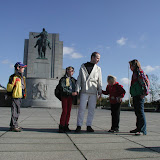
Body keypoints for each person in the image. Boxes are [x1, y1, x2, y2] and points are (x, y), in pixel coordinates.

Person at [75, 52, 102, 133]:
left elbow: (99, 80)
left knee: (91, 109)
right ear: (92, 57)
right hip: (84, 90)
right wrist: (77, 89)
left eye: (99, 59)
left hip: (93, 90)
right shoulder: (83, 66)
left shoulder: (98, 68)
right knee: (81, 108)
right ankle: (79, 125)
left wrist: (100, 91)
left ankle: (89, 125)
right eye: (97, 58)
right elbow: (79, 78)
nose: (98, 60)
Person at [129, 59, 150, 135]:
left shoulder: (139, 72)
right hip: (136, 94)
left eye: (131, 66)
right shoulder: (135, 73)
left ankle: (142, 130)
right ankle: (138, 127)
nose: (130, 67)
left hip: (139, 95)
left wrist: (144, 93)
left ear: (134, 65)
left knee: (140, 112)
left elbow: (144, 83)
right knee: (137, 112)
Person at [7, 62, 27, 132]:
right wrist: (10, 94)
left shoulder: (22, 77)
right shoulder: (13, 77)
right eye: (22, 67)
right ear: (18, 68)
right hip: (15, 96)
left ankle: (14, 124)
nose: (24, 69)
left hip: (19, 96)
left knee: (17, 111)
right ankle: (13, 126)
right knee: (15, 111)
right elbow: (9, 87)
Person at [59, 66, 77, 133]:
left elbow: (76, 85)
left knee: (68, 111)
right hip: (65, 96)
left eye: (73, 71)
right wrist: (71, 93)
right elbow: (63, 88)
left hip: (70, 97)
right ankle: (61, 126)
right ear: (67, 71)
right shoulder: (64, 79)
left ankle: (66, 125)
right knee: (65, 111)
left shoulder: (72, 79)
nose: (72, 72)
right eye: (71, 71)